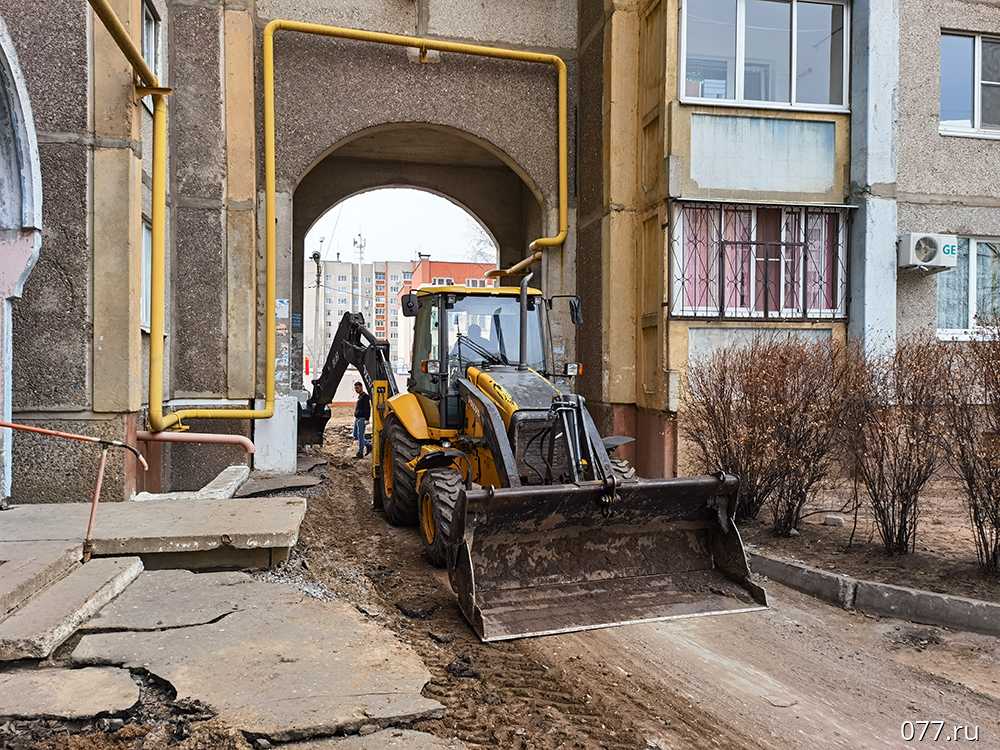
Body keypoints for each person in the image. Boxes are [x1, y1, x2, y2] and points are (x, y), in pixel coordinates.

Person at [353, 381, 371, 458]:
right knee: (355, 435)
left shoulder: (365, 397)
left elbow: (368, 408)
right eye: (355, 388)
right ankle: (369, 445)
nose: (356, 390)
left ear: (361, 387)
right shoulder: (360, 396)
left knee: (360, 436)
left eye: (357, 388)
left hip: (362, 419)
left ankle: (360, 453)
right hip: (357, 418)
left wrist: (367, 419)